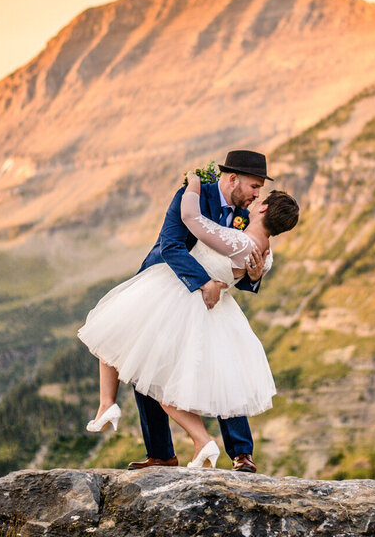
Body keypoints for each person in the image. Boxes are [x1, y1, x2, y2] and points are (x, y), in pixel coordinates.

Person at [77, 150, 299, 470]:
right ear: (233, 178)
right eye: (254, 185)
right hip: (172, 283)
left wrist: (251, 276)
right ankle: (161, 454)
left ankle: (241, 453)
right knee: (147, 368)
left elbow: (250, 256)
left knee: (223, 369)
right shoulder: (193, 195)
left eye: (260, 190)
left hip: (211, 300)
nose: (256, 194)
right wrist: (203, 281)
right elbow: (171, 245)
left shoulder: (247, 214)